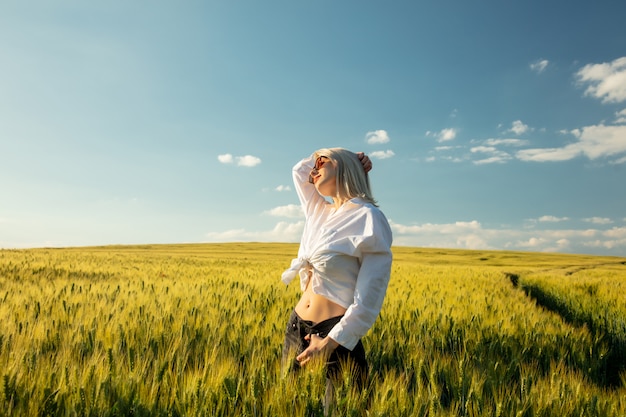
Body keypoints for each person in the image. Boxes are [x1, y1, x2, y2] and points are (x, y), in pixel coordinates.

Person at [281, 147, 393, 405]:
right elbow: (298, 171)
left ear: (343, 166)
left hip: (335, 336)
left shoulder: (368, 218)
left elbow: (368, 300)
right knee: (289, 407)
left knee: (339, 409)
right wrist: (332, 156)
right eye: (315, 163)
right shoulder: (318, 212)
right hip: (296, 328)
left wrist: (331, 342)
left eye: (322, 162)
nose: (314, 169)